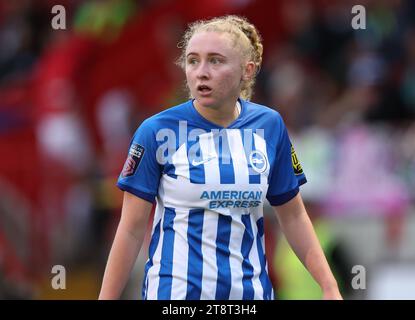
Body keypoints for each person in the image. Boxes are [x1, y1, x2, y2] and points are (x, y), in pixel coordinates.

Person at [98, 15, 342, 300]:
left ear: (247, 71)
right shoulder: (156, 131)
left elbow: (294, 216)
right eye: (193, 61)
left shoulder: (270, 126)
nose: (201, 71)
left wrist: (329, 286)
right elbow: (130, 229)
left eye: (215, 61)